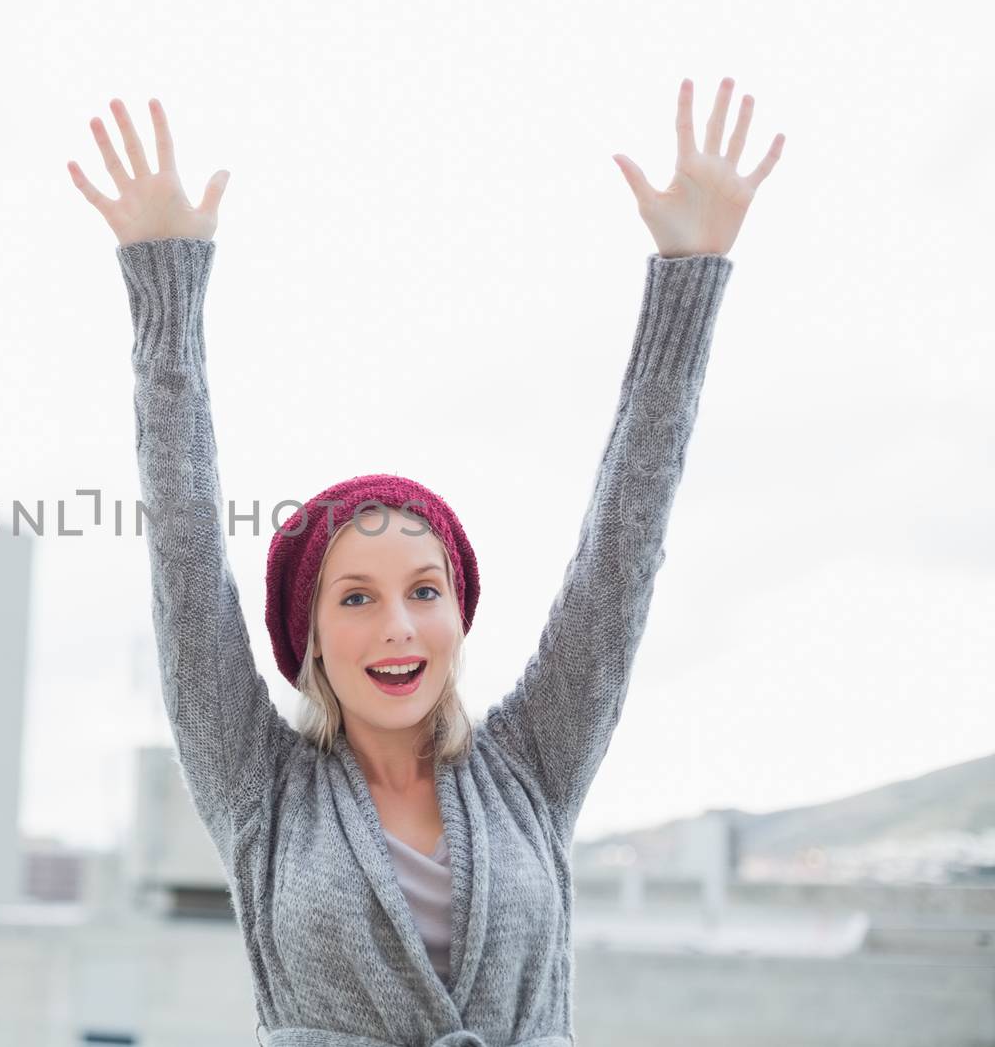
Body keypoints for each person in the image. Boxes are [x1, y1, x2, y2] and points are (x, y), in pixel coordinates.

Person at [68, 82, 784, 1047]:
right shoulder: (259, 789)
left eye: (424, 590)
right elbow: (186, 549)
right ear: (309, 635)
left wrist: (689, 278)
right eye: (356, 596)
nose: (398, 624)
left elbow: (623, 547)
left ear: (457, 614)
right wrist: (165, 284)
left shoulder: (531, 766)